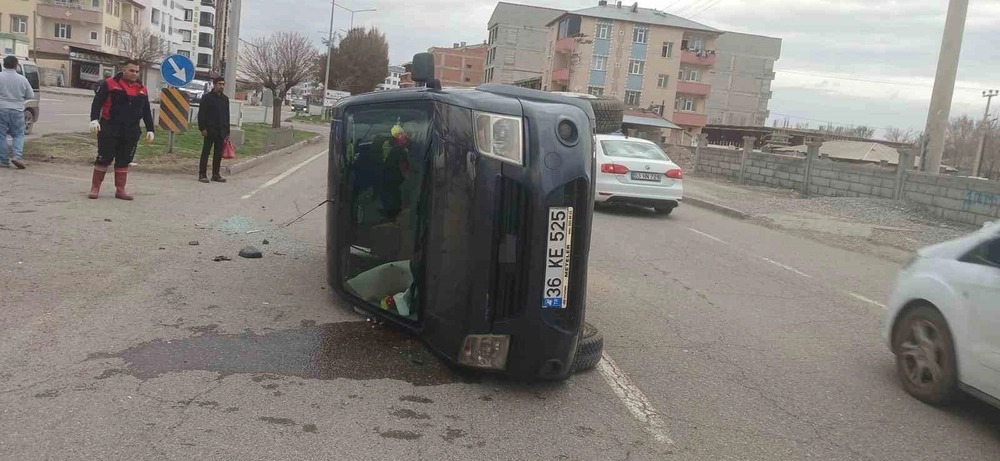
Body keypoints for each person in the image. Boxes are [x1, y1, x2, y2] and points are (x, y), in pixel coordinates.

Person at [88, 59, 155, 200]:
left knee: (124, 160)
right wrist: (94, 120)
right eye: (131, 70)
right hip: (109, 127)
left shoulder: (142, 89)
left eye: (137, 71)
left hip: (131, 130)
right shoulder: (110, 84)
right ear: (123, 70)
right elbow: (97, 102)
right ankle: (95, 188)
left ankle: (120, 190)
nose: (134, 73)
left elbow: (146, 111)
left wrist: (150, 129)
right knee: (104, 158)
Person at [0, 55, 34, 169]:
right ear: (16, 65)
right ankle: (17, 156)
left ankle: (3, 160)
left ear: (4, 65)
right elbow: (30, 95)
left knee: (1, 135)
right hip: (17, 110)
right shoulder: (22, 79)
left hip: (1, 109)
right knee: (18, 134)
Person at [197, 76, 230, 183]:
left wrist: (227, 131)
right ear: (214, 84)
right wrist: (202, 128)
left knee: (218, 154)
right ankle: (202, 174)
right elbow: (201, 115)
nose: (222, 86)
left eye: (223, 84)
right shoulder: (207, 98)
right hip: (209, 130)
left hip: (221, 131)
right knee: (206, 152)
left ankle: (216, 174)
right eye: (219, 84)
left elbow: (227, 116)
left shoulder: (225, 99)